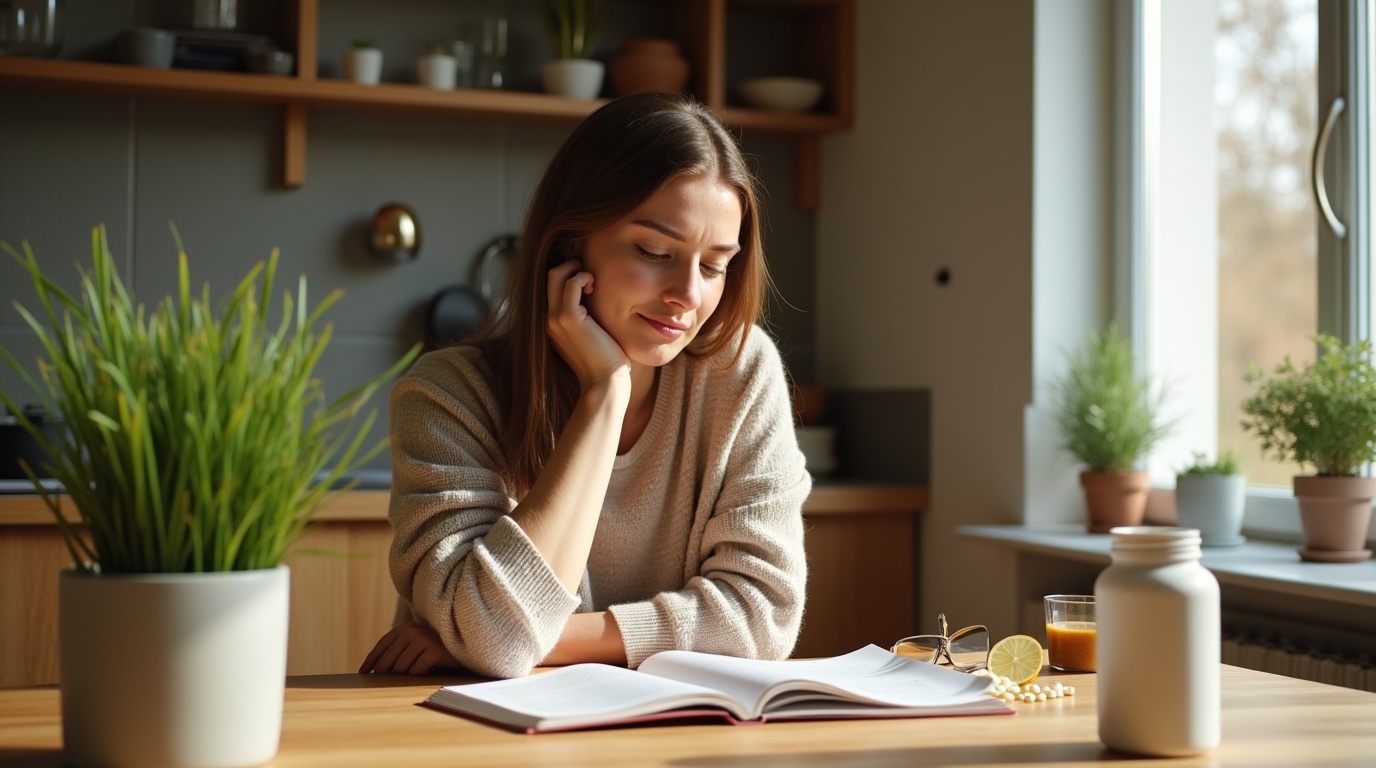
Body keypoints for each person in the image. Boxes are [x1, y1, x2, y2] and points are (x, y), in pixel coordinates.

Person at [359, 92, 810, 679]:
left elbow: (762, 616)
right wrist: (604, 394)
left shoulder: (741, 371)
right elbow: (492, 643)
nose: (688, 295)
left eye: (714, 264)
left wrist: (532, 639)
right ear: (572, 244)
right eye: (653, 251)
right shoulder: (446, 397)